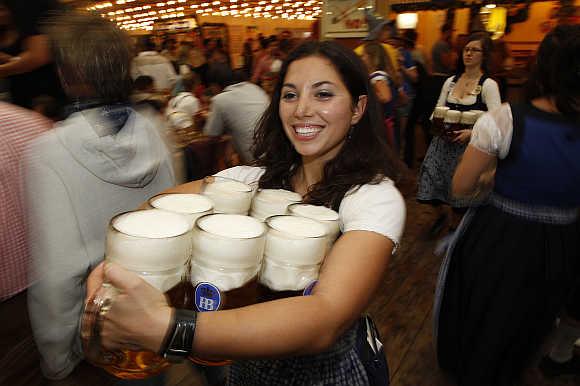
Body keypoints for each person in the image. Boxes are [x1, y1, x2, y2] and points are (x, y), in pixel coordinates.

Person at [86, 40, 406, 385]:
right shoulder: (251, 180)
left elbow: (325, 318)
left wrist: (168, 328)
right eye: (290, 95)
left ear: (358, 108)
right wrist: (108, 277)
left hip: (329, 376)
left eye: (323, 94)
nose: (302, 110)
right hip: (248, 370)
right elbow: (150, 212)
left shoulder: (373, 197)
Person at [26, 13, 175, 381]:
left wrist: (56, 359)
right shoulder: (155, 130)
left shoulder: (49, 152)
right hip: (157, 318)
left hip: (99, 342)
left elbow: (57, 272)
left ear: (64, 75)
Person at [434, 25, 580, 385]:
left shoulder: (506, 119)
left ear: (541, 67)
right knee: (535, 319)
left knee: (490, 315)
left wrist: (495, 177)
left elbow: (462, 186)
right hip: (566, 242)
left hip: (504, 236)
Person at [417, 32, 500, 238]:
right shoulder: (451, 82)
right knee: (430, 181)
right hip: (443, 142)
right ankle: (441, 215)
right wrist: (438, 126)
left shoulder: (488, 85)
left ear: (485, 55)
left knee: (459, 193)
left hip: (469, 146)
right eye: (466, 49)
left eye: (474, 50)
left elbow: (497, 120)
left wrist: (472, 133)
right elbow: (438, 108)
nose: (469, 54)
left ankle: (455, 230)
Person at [0, 0, 65, 114]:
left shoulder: (32, 8)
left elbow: (39, 56)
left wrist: (4, 69)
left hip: (45, 96)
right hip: (19, 94)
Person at [202, 67, 268, 164]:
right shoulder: (253, 88)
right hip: (279, 151)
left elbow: (212, 135)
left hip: (259, 163)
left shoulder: (220, 99)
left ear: (214, 85)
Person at [360, 41, 397, 148]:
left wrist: (365, 96)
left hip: (382, 123)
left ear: (371, 57)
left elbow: (385, 97)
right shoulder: (381, 75)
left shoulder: (377, 76)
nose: (361, 58)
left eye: (363, 55)